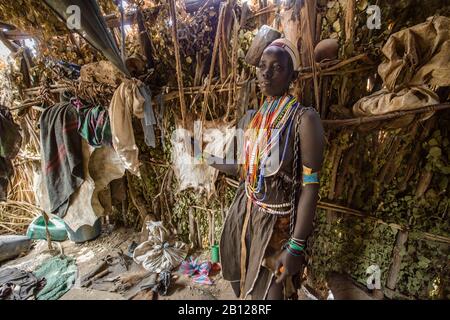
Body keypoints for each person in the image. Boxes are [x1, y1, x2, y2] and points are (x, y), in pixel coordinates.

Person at [197, 37, 325, 300]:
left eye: (276, 67)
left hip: (278, 225)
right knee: (240, 280)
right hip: (245, 213)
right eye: (262, 65)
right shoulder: (257, 118)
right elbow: (248, 169)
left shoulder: (304, 119)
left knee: (269, 293)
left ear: (293, 75)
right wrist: (207, 158)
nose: (265, 73)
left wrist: (296, 247)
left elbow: (310, 188)